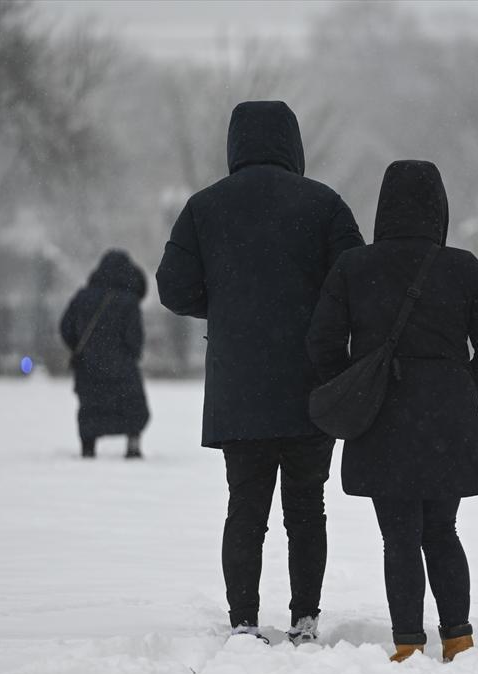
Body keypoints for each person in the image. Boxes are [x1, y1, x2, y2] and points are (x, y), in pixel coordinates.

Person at [156, 100, 364, 642]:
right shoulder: (325, 205)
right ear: (294, 143)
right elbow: (355, 283)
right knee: (307, 508)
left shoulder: (205, 207)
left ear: (235, 144)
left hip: (238, 384)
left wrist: (225, 305)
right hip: (311, 386)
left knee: (244, 509)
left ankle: (244, 620)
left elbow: (173, 288)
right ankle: (305, 618)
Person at [307, 160, 478, 663]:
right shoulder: (462, 268)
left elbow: (322, 344)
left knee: (398, 536)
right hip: (447, 422)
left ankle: (407, 643)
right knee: (442, 531)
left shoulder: (354, 267)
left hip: (381, 419)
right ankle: (458, 639)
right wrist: (463, 387)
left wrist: (359, 384)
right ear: (439, 208)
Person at [59, 249, 150, 458]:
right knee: (131, 405)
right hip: (122, 367)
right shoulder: (129, 301)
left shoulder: (82, 297)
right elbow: (135, 337)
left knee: (91, 407)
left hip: (88, 366)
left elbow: (65, 327)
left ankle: (88, 447)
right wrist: (130, 354)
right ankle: (132, 446)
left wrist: (79, 349)